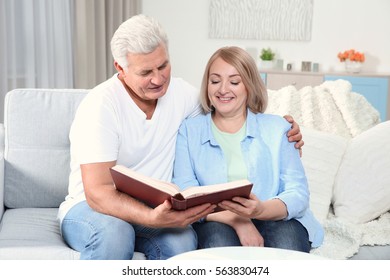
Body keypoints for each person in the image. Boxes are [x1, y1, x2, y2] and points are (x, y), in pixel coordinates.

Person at [57, 15, 304, 260]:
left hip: (155, 210)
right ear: (120, 68)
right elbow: (99, 192)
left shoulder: (182, 95)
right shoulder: (100, 106)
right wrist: (151, 218)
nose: (158, 79)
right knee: (116, 233)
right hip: (92, 210)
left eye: (163, 66)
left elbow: (229, 111)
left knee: (182, 241)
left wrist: (284, 130)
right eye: (146, 72)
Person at [172, 46, 324, 252]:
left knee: (287, 246)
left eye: (234, 81)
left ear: (249, 86)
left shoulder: (279, 128)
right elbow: (186, 192)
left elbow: (297, 193)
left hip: (275, 216)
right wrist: (240, 221)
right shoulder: (189, 131)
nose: (223, 89)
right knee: (219, 247)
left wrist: (261, 210)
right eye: (215, 81)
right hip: (218, 221)